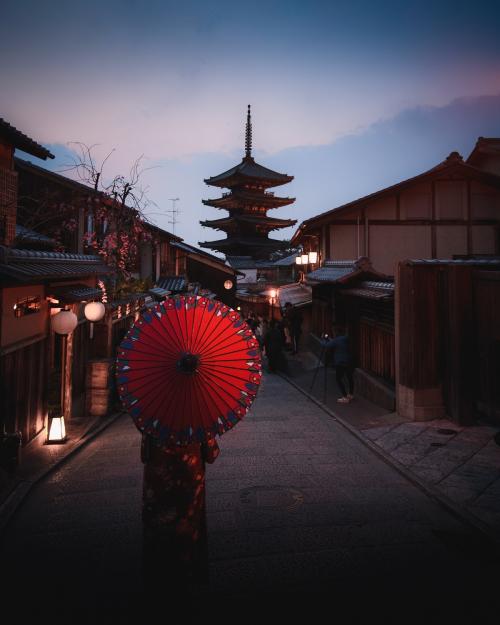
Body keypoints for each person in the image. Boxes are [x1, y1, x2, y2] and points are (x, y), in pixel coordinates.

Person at [322, 325, 354, 403]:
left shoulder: (336, 341)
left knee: (338, 379)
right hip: (348, 361)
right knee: (349, 377)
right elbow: (335, 342)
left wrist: (324, 339)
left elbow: (326, 345)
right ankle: (351, 394)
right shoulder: (345, 338)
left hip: (340, 362)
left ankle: (345, 396)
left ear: (335, 333)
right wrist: (329, 339)